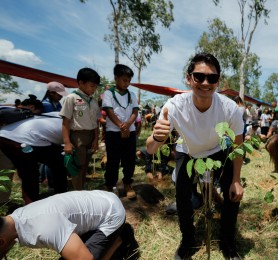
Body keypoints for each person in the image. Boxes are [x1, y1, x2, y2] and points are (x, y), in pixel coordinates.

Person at [146, 53, 244, 259]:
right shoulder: (173, 106)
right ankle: (188, 240)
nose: (205, 83)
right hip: (187, 151)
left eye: (212, 78)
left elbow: (237, 144)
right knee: (182, 197)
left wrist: (236, 180)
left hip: (217, 150)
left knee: (232, 194)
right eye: (199, 77)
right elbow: (151, 149)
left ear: (218, 81)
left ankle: (228, 242)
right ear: (188, 78)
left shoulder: (229, 108)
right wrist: (157, 136)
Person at [0, 190, 126, 260]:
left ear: (1, 242)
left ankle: (117, 242)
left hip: (112, 213)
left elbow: (85, 259)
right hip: (99, 198)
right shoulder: (15, 217)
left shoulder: (44, 228)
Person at [0, 111, 67, 204]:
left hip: (9, 134)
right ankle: (31, 205)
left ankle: (59, 195)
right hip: (20, 140)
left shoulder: (59, 114)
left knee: (57, 162)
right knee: (30, 172)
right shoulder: (76, 127)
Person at [60, 68, 101, 190]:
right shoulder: (71, 98)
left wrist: (95, 140)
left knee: (85, 166)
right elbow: (65, 122)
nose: (93, 89)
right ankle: (78, 193)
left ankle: (81, 189)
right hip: (78, 137)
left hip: (91, 136)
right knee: (77, 166)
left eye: (95, 87)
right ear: (81, 82)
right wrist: (67, 142)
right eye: (92, 86)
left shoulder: (93, 101)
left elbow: (96, 122)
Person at [102, 64, 139, 199]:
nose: (127, 83)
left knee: (129, 159)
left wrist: (128, 125)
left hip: (130, 131)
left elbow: (135, 111)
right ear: (116, 78)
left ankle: (128, 183)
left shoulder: (132, 95)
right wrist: (120, 126)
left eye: (129, 81)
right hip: (113, 132)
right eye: (124, 80)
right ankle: (110, 185)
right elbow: (108, 110)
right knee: (113, 160)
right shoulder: (108, 93)